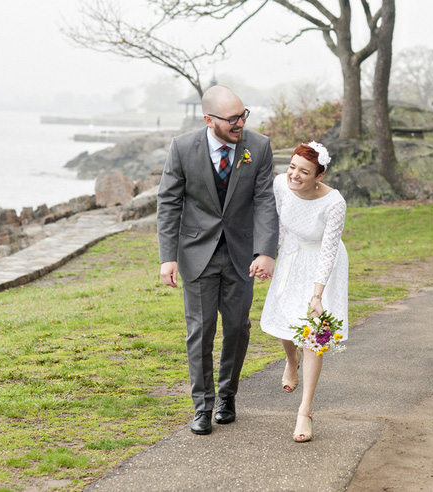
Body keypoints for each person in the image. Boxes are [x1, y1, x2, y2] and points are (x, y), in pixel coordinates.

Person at [157, 85, 278, 435]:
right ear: (209, 120)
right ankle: (203, 406)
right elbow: (169, 203)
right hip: (197, 253)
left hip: (242, 255)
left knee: (238, 329)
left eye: (243, 115)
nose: (240, 122)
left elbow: (265, 200)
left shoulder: (258, 146)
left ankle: (227, 396)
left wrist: (266, 250)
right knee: (200, 330)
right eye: (232, 118)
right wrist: (168, 258)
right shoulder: (182, 148)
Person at [260, 141, 348, 442]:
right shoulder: (279, 185)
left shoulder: (335, 203)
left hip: (323, 264)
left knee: (313, 336)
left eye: (304, 172)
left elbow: (329, 250)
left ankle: (305, 411)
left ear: (319, 176)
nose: (294, 175)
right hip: (290, 256)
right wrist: (270, 257)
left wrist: (317, 295)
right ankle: (291, 361)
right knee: (285, 323)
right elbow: (277, 224)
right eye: (292, 167)